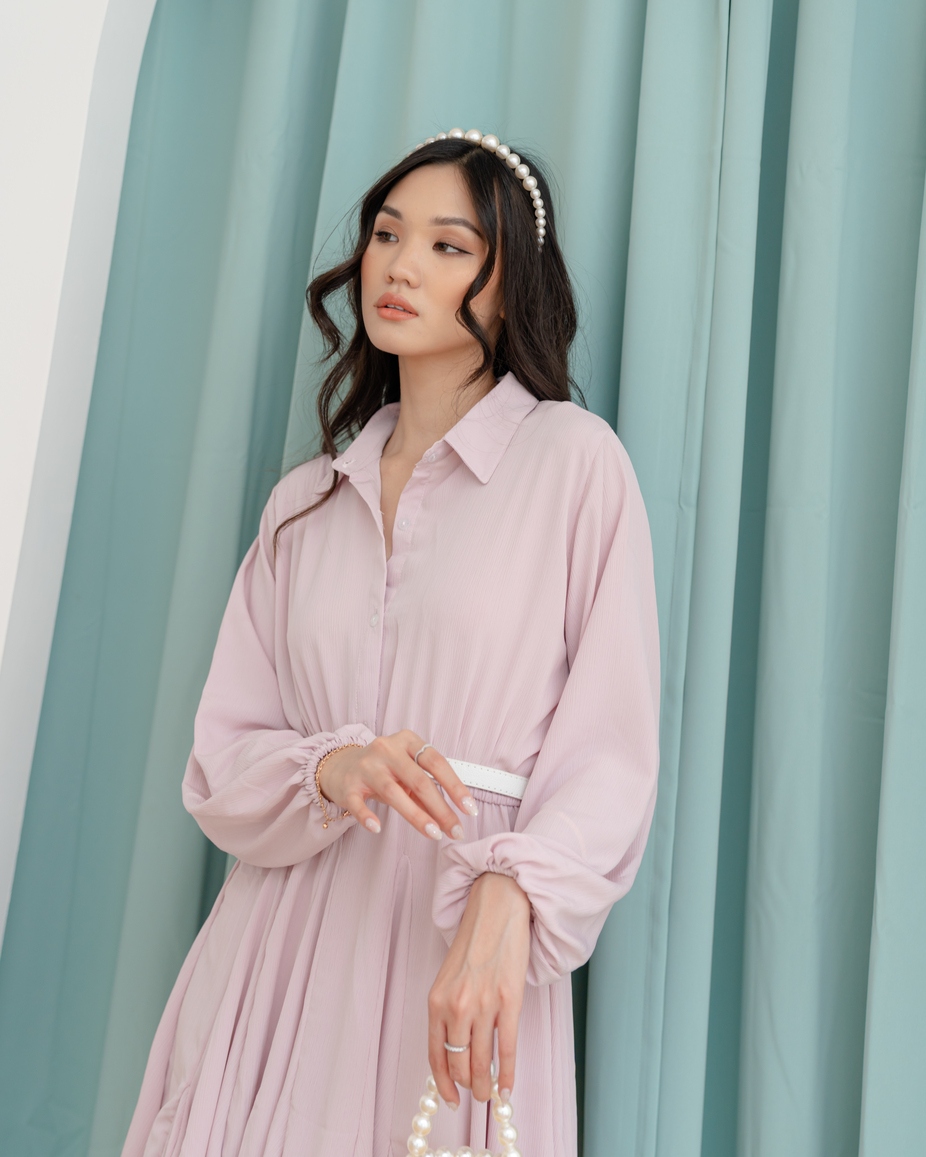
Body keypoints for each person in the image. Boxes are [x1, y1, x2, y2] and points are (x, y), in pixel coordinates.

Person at [121, 127, 661, 1157]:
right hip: (275, 951)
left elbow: (610, 753)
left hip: (455, 940)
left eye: (448, 246)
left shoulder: (574, 466)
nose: (400, 265)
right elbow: (221, 761)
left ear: (508, 285)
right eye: (385, 234)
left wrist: (511, 894)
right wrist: (334, 766)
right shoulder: (303, 504)